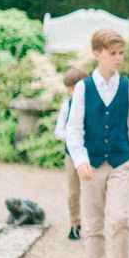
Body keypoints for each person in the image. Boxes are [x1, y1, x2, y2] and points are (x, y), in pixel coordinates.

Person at [65, 28, 129, 258]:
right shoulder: (84, 88)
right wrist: (80, 159)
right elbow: (73, 129)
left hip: (121, 163)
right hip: (92, 165)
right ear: (97, 54)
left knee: (120, 219)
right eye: (113, 53)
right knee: (93, 225)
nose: (119, 58)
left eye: (121, 53)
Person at [54, 67, 89, 241]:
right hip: (72, 154)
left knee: (93, 191)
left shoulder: (93, 104)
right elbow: (59, 130)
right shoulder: (67, 106)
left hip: (91, 153)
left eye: (75, 87)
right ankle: (75, 224)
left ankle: (94, 225)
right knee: (73, 192)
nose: (72, 91)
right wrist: (73, 136)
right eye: (70, 88)